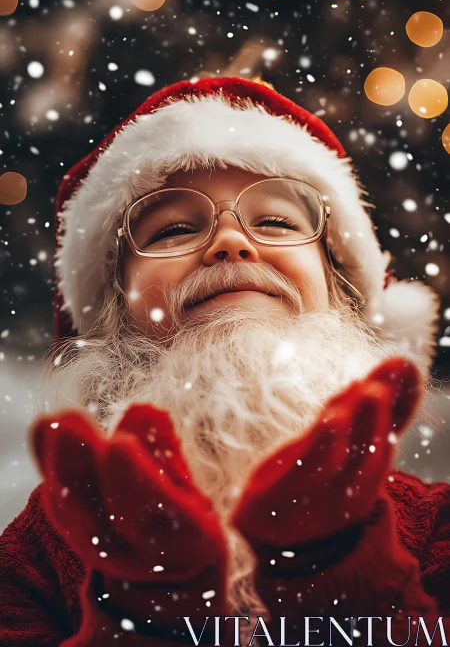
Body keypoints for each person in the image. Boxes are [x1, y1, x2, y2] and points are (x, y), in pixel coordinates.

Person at [0, 76, 449, 647]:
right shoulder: (54, 538)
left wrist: (343, 578)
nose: (232, 243)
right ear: (116, 312)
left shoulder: (433, 523)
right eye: (176, 229)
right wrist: (143, 621)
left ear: (341, 294)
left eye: (277, 221)